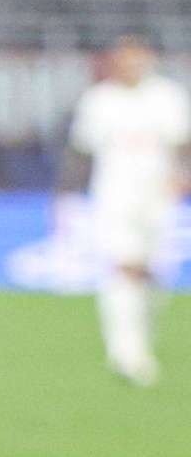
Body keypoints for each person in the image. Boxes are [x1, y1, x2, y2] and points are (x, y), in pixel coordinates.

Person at [65, 34, 189, 386]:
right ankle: (125, 352)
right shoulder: (99, 100)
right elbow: (81, 151)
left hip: (159, 198)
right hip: (114, 197)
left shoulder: (167, 97)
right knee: (123, 267)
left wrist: (182, 177)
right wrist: (66, 195)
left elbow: (183, 143)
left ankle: (142, 346)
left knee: (154, 273)